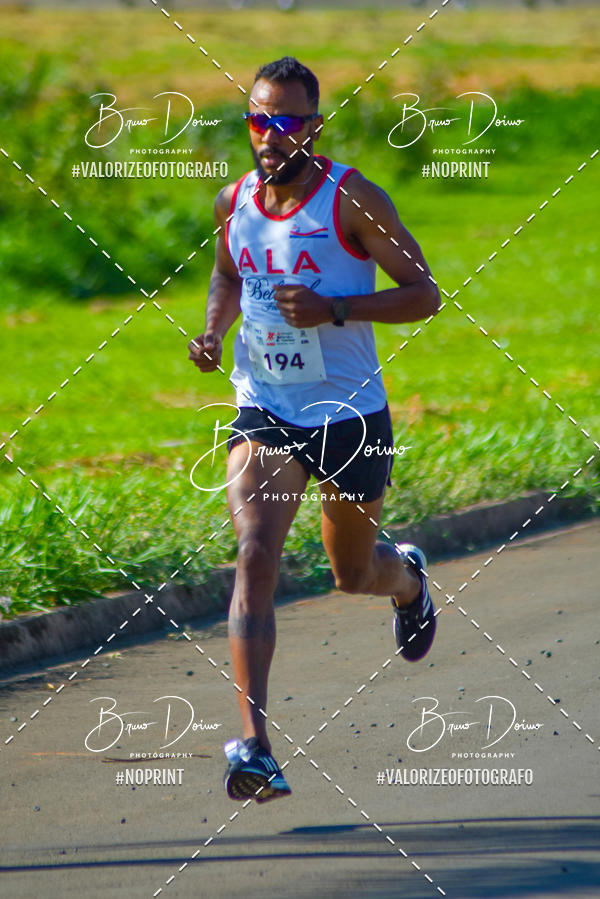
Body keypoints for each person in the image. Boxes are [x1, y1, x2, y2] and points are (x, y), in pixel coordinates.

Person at [189, 57, 441, 803]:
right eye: (260, 120)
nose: (272, 135)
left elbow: (424, 294)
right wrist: (211, 333)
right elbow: (229, 273)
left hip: (350, 415)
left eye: (288, 122)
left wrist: (335, 309)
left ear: (314, 126)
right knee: (255, 553)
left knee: (351, 573)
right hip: (264, 407)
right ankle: (255, 746)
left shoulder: (351, 199)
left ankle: (408, 581)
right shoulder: (233, 199)